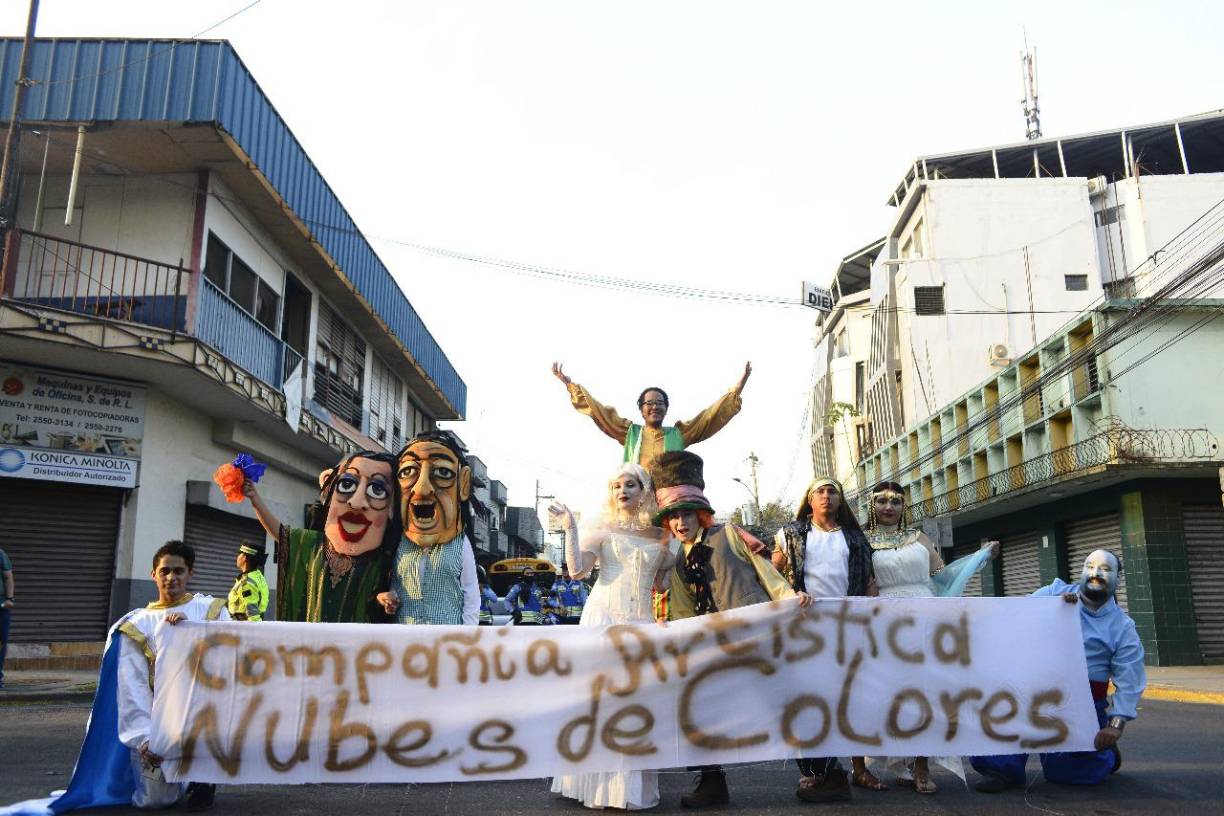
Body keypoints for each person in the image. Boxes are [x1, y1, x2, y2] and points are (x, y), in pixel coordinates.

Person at [653, 451, 802, 809]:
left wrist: (789, 598)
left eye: (686, 514)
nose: (680, 522)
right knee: (701, 709)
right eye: (673, 516)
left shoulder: (729, 534)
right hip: (710, 644)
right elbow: (683, 607)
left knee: (782, 703)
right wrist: (677, 634)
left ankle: (826, 774)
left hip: (754, 635)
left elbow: (766, 571)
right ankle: (712, 782)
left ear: (700, 514)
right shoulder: (677, 559)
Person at [549, 463, 675, 810]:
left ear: (644, 491)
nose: (623, 491)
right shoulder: (602, 528)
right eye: (616, 486)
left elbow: (663, 585)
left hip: (642, 623)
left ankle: (627, 791)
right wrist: (570, 528)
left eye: (630, 485)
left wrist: (680, 557)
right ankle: (595, 787)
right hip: (602, 618)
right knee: (600, 701)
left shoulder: (661, 535)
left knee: (636, 702)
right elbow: (577, 572)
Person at [861, 481, 998, 794]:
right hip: (886, 624)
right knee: (894, 694)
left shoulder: (920, 538)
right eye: (881, 500)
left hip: (926, 619)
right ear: (872, 505)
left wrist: (980, 558)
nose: (889, 507)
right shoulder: (863, 542)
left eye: (896, 501)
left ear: (904, 506)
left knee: (926, 692)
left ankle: (922, 765)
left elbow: (944, 576)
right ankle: (901, 760)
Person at [972, 548, 1145, 792]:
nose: (1096, 573)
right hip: (1031, 692)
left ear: (1118, 578)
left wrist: (1115, 726)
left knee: (1067, 773)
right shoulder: (1053, 593)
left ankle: (1105, 754)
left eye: (1106, 569)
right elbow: (1015, 617)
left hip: (1082, 703)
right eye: (1090, 567)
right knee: (1001, 732)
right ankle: (1001, 770)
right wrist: (1050, 608)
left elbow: (1130, 679)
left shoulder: (1122, 627)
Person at [771, 477, 876, 803]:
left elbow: (869, 583)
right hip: (804, 628)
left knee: (842, 698)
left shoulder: (855, 538)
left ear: (840, 500)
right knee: (807, 698)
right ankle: (818, 772)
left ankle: (835, 773)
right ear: (809, 499)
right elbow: (771, 576)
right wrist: (791, 594)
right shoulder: (790, 534)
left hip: (846, 628)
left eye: (832, 492)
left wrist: (874, 616)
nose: (826, 496)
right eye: (820, 491)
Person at [244, 450, 400, 623]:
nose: (356, 502)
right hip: (312, 638)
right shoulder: (313, 545)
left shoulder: (385, 561)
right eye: (347, 484)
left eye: (377, 490)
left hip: (352, 640)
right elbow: (280, 533)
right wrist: (254, 498)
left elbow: (374, 601)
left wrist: (383, 599)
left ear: (393, 507)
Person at [552, 361, 752, 474]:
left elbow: (708, 417)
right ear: (641, 410)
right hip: (637, 506)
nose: (655, 407)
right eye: (649, 403)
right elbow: (599, 412)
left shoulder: (679, 434)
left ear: (666, 409)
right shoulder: (630, 433)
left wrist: (736, 390)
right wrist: (570, 386)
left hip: (671, 507)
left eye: (659, 403)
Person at [376, 431, 482, 626]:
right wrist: (388, 598)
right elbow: (394, 587)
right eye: (408, 472)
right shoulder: (398, 541)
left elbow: (471, 595)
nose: (422, 489)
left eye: (443, 472)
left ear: (463, 484)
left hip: (447, 638)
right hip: (407, 637)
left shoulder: (460, 544)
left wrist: (467, 636)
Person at [226, 540, 269, 621]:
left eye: (239, 554)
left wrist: (254, 628)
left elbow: (252, 614)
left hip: (242, 623)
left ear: (244, 558)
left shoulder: (247, 582)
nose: (237, 557)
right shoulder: (257, 575)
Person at [0, 546, 12, 689]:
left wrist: (10, 598)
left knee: (1, 640)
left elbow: (8, 576)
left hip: (1, 605)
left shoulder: (0, 554)